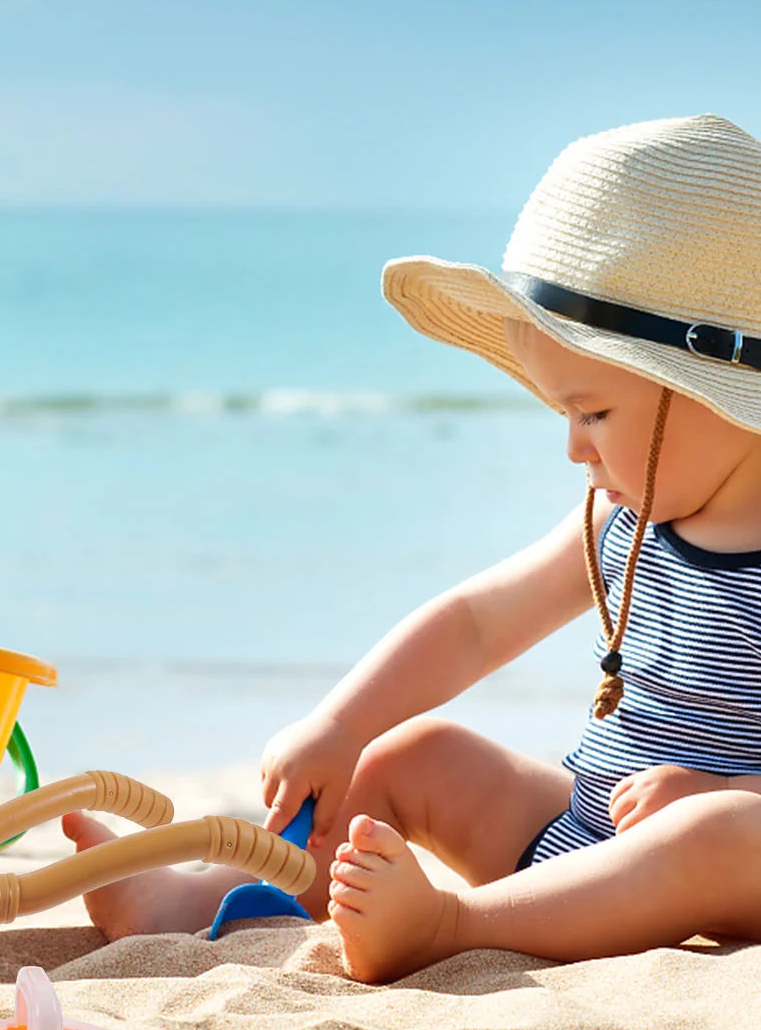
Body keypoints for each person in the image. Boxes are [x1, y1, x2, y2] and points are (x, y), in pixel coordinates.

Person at [69, 114, 761, 982]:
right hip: (585, 837)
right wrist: (344, 725)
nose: (575, 451)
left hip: (720, 866)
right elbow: (477, 624)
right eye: (563, 417)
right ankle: (196, 902)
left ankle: (450, 926)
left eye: (594, 413)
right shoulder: (620, 515)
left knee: (717, 837)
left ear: (715, 388)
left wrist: (736, 797)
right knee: (413, 752)